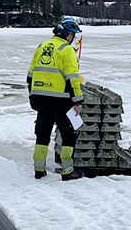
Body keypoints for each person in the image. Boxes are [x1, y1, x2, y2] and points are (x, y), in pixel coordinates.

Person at [27, 17, 85, 181]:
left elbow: (30, 76)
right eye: (73, 35)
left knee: (42, 134)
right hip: (61, 100)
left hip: (41, 99)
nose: (73, 39)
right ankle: (67, 171)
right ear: (68, 34)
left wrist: (33, 97)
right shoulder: (67, 50)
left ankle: (39, 169)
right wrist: (77, 101)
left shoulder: (41, 46)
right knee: (68, 135)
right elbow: (72, 79)